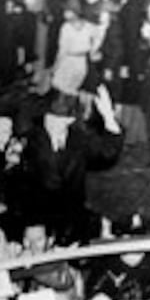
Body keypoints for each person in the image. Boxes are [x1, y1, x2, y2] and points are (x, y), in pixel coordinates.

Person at [17, 86, 123, 245]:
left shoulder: (79, 140)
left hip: (74, 224)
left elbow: (107, 155)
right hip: (38, 228)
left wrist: (108, 117)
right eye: (49, 117)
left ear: (70, 120)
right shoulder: (28, 142)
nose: (52, 124)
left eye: (59, 119)